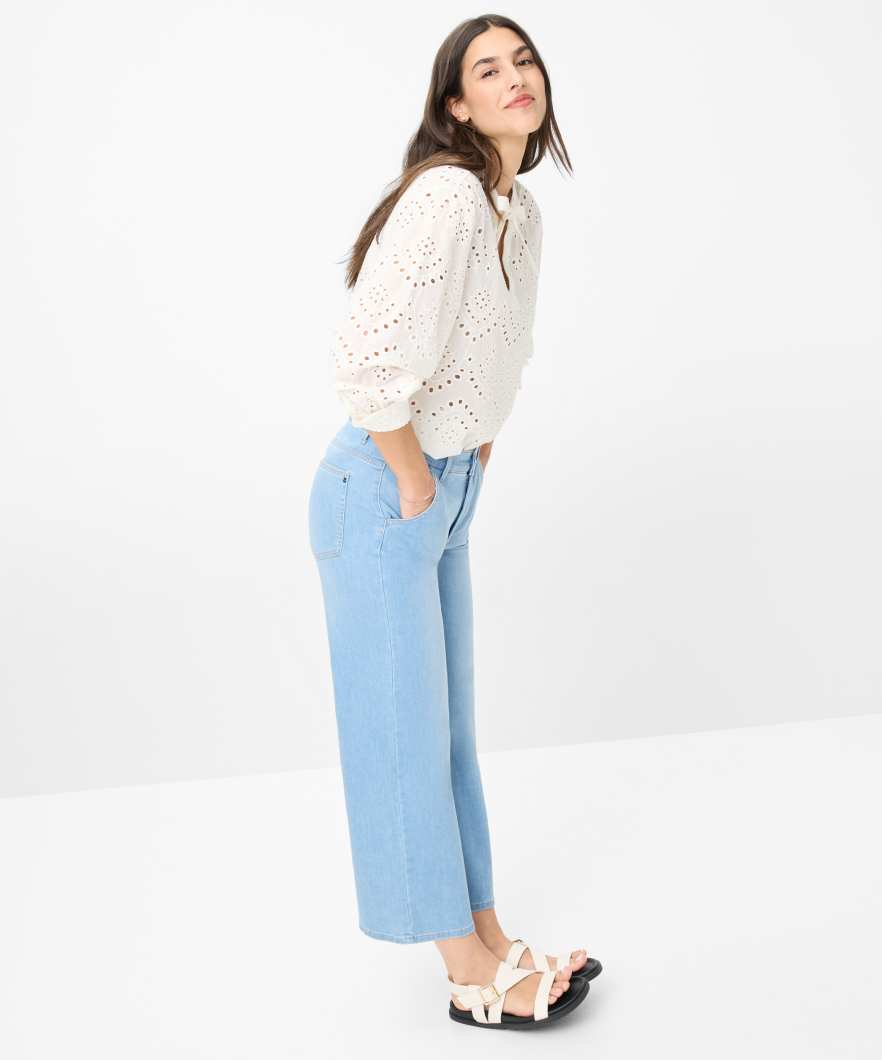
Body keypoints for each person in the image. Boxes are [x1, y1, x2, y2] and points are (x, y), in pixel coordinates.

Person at [308, 16, 601, 1028]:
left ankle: (488, 931)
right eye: (488, 69)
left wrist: (475, 449)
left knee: (446, 733)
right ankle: (467, 975)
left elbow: (494, 349)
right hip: (383, 490)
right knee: (402, 735)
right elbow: (364, 356)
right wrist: (415, 478)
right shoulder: (446, 196)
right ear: (456, 107)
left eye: (524, 60)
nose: (516, 77)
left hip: (440, 488)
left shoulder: (518, 209)